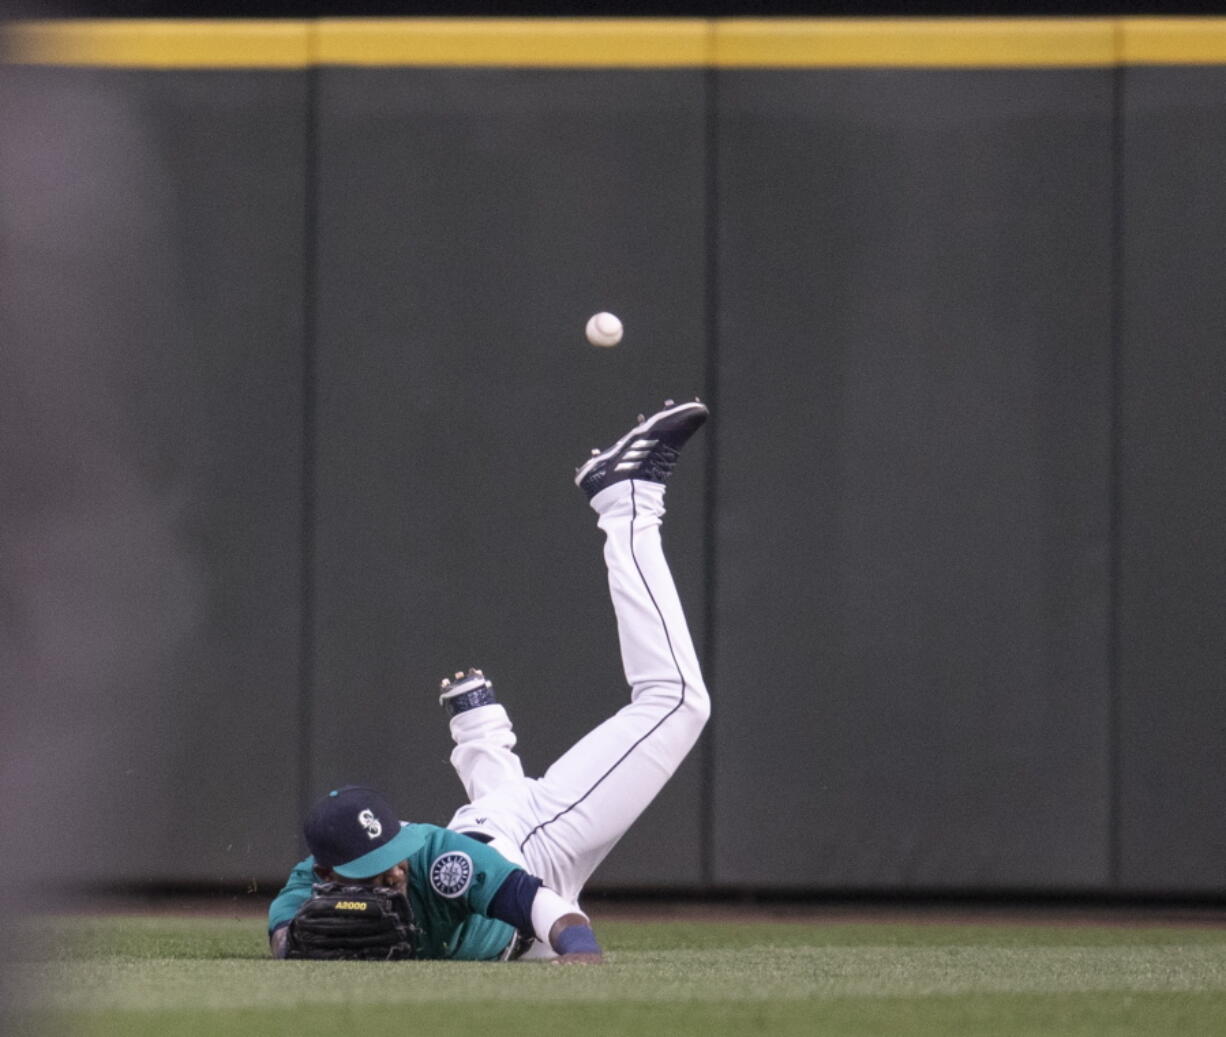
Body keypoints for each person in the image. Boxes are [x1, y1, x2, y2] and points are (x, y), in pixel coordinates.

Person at [267, 398, 711, 963]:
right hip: (499, 846)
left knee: (676, 701)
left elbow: (548, 909)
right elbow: (281, 935)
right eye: (375, 867)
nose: (394, 867)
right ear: (325, 873)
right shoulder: (305, 889)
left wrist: (584, 960)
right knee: (498, 811)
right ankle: (480, 733)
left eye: (391, 851)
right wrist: (295, 944)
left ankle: (625, 500)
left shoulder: (440, 863)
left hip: (534, 848)